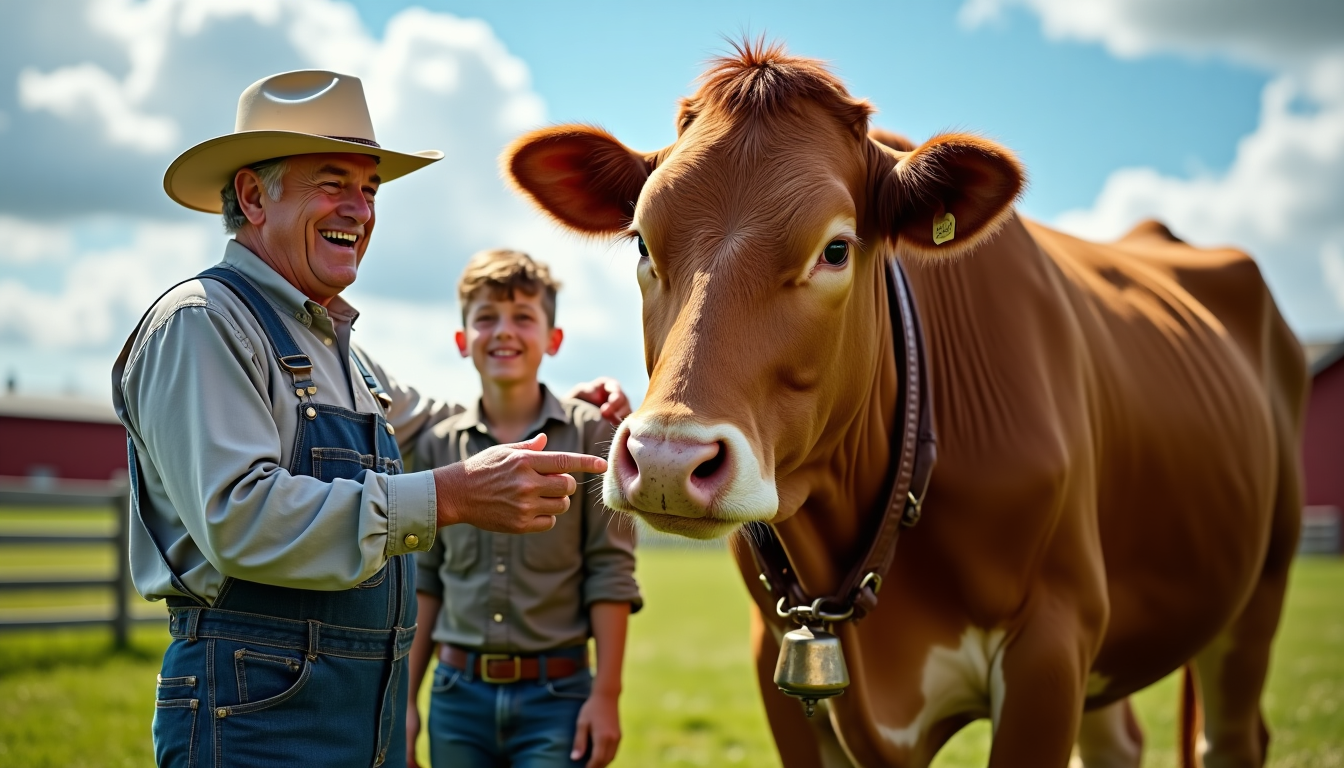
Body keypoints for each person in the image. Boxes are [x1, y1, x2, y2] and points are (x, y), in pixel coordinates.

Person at [112, 70, 630, 768]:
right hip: (252, 711)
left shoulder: (343, 353)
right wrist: (447, 497)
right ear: (253, 196)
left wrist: (569, 406)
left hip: (355, 709)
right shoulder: (203, 324)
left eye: (371, 189)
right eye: (334, 183)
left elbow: (447, 418)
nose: (360, 209)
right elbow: (241, 517)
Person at [405, 250, 640, 768]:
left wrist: (606, 695)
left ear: (553, 339)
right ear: (462, 340)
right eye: (486, 317)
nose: (504, 331)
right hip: (456, 698)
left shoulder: (591, 435)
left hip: (557, 698)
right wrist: (406, 702)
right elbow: (426, 580)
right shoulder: (438, 446)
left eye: (523, 317)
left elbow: (610, 571)